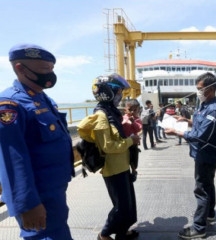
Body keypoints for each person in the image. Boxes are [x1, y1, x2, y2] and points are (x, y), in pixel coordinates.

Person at [0, 44, 74, 239]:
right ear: (20, 68)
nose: (50, 75)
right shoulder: (11, 104)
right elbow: (12, 159)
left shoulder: (42, 99)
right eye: (44, 70)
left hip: (54, 193)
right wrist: (27, 204)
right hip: (37, 197)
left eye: (51, 69)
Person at [77, 74, 140, 240]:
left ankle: (123, 231)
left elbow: (116, 137)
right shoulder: (102, 116)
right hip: (113, 169)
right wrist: (130, 141)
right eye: (118, 92)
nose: (121, 96)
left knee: (129, 204)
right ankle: (104, 234)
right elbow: (108, 146)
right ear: (108, 93)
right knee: (121, 207)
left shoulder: (112, 113)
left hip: (123, 165)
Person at [165, 72, 216, 239]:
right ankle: (210, 214)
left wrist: (177, 132)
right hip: (201, 153)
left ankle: (199, 228)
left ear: (210, 89)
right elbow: (199, 124)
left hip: (206, 154)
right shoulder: (203, 105)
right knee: (208, 184)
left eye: (200, 89)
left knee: (201, 189)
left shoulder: (213, 109)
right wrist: (186, 121)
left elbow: (200, 136)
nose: (197, 92)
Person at [122, 99, 142, 182]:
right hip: (125, 142)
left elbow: (138, 129)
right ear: (125, 110)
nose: (133, 112)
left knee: (133, 158)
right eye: (130, 110)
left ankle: (134, 170)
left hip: (133, 143)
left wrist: (133, 122)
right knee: (126, 158)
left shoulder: (137, 119)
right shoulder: (123, 118)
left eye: (135, 110)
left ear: (138, 110)